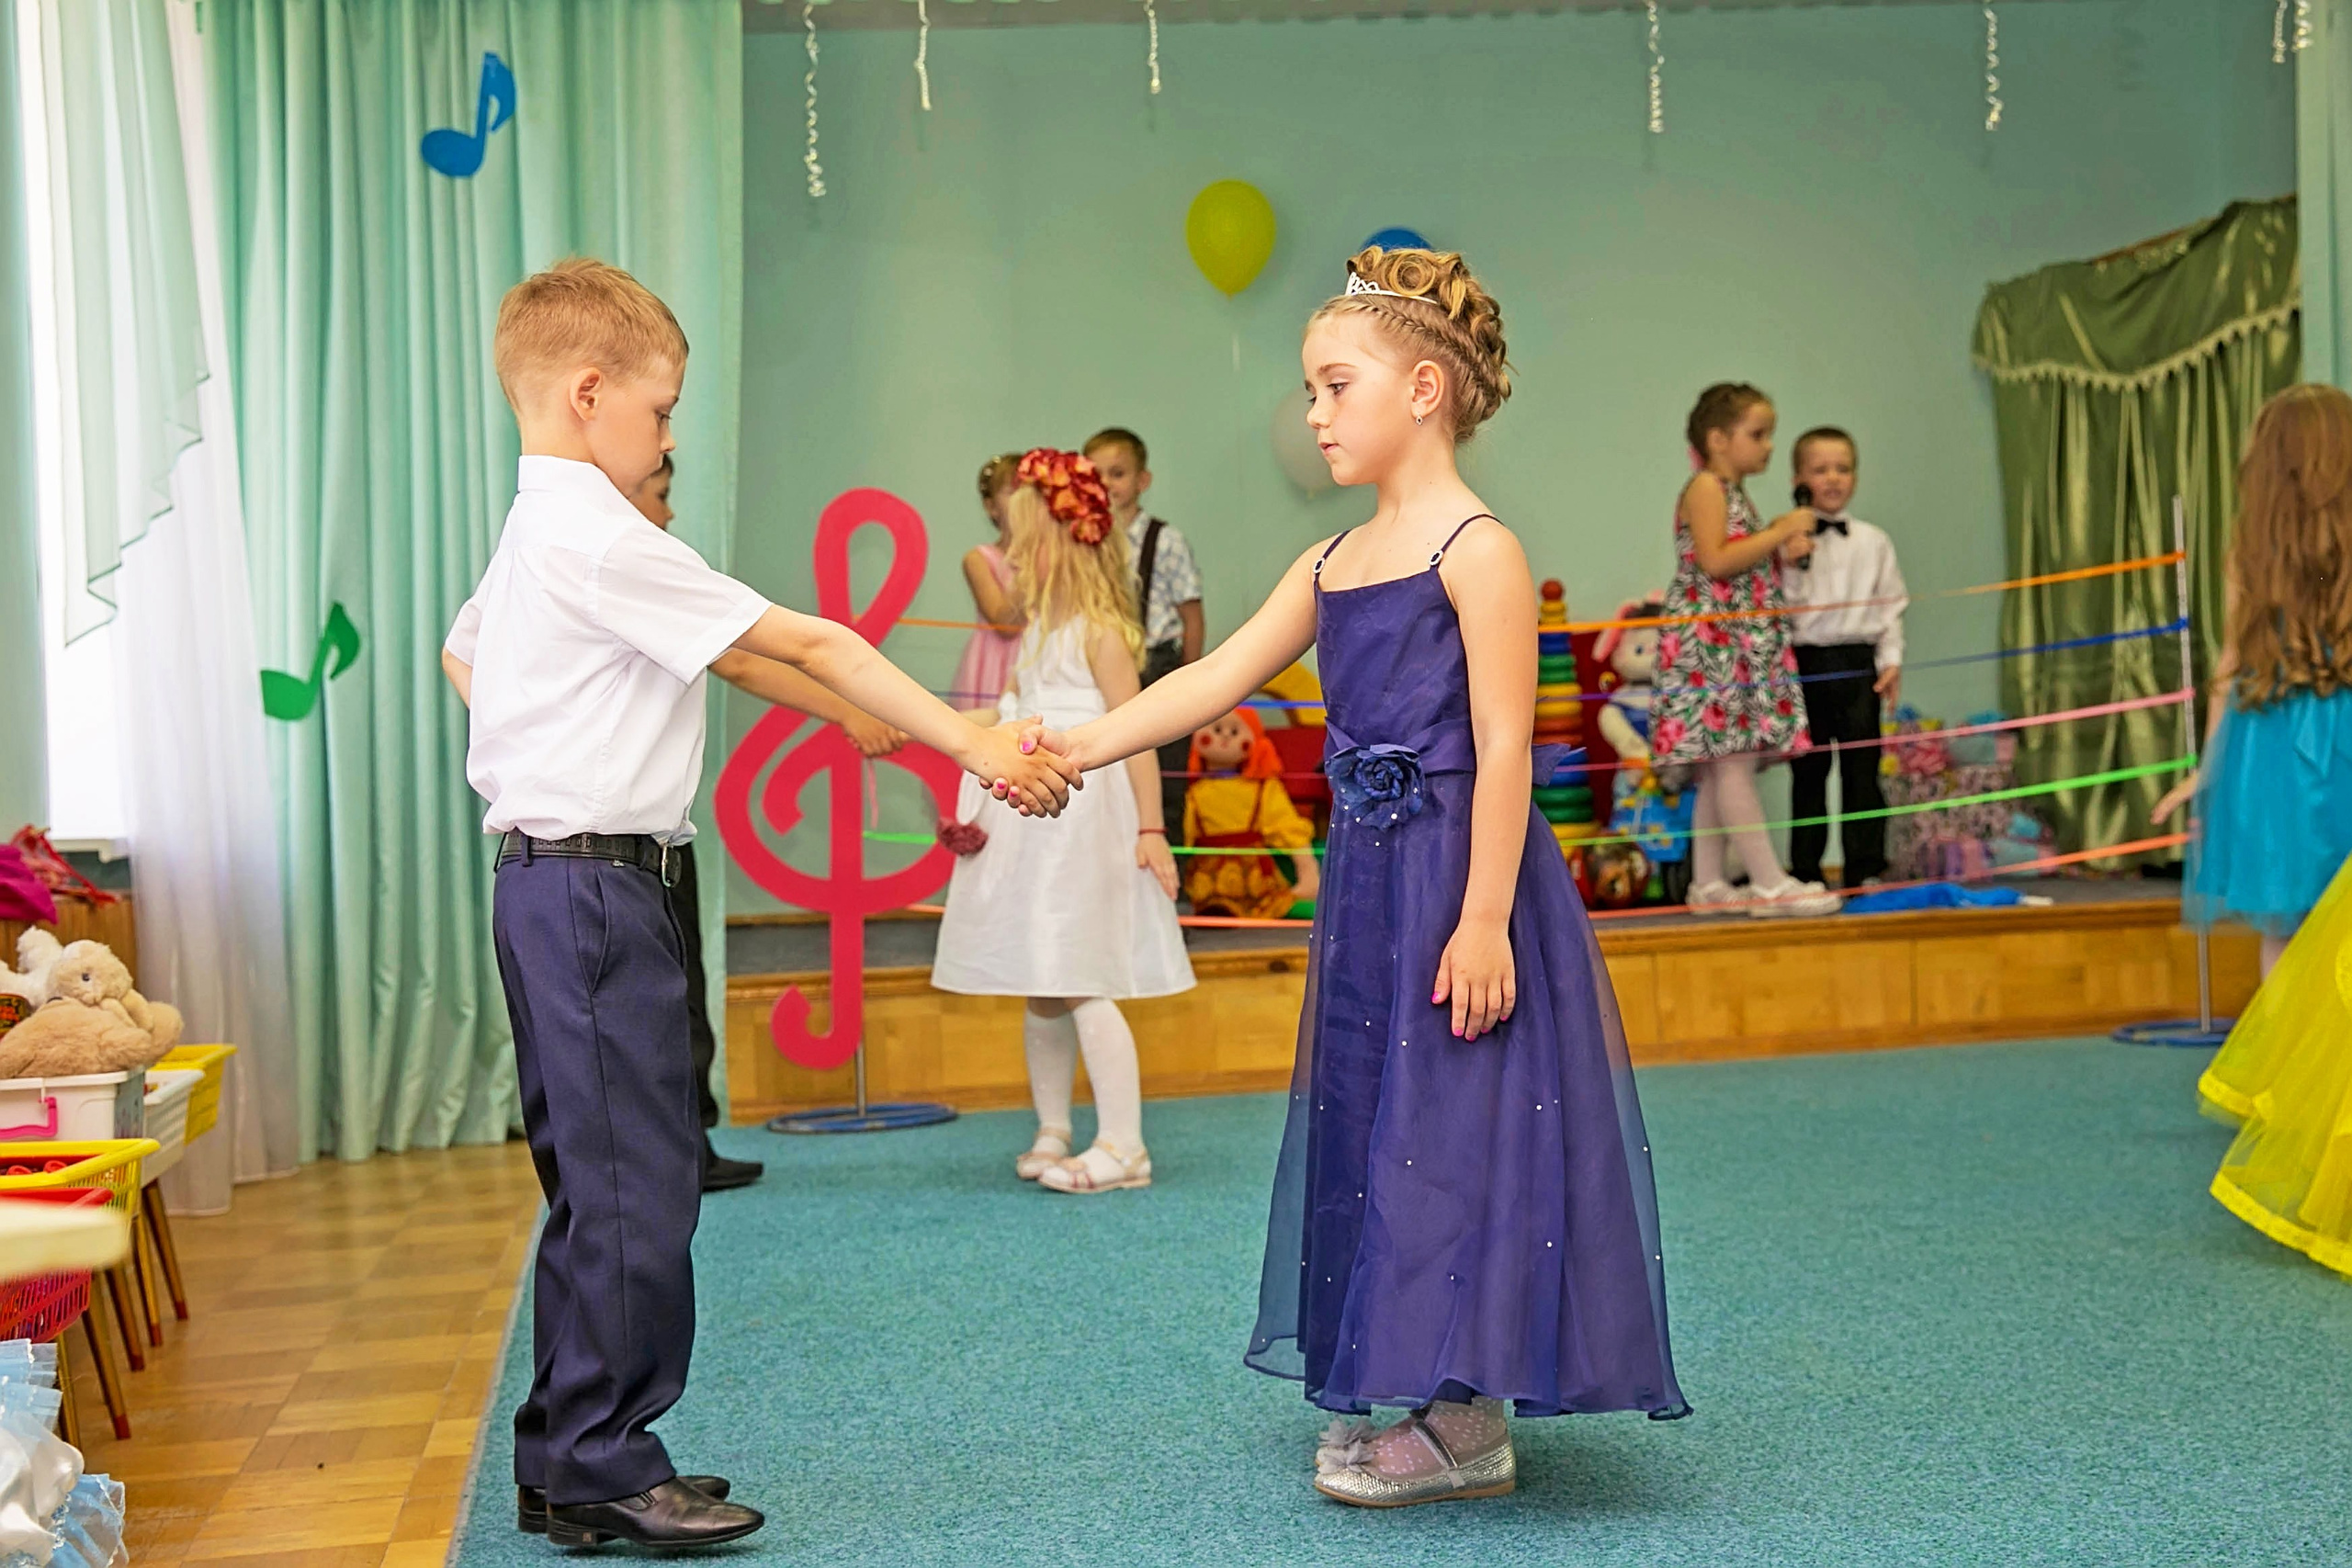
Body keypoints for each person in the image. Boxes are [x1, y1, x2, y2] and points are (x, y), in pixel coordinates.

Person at [440, 258, 1076, 1551]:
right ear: (588, 392)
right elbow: (813, 641)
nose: (668, 435)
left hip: (559, 882)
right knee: (636, 1190)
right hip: (593, 890)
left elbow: (470, 655)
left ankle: (566, 1452)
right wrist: (975, 744)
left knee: (600, 1186)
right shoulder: (597, 535)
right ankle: (604, 1458)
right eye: (662, 410)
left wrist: (544, 746)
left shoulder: (537, 533)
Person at [1039, 248, 1688, 1506]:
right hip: (1372, 883)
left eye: (1336, 386)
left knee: (1460, 1124)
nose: (1316, 415)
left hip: (1462, 876)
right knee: (1385, 1120)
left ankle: (1470, 1418)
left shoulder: (1479, 550)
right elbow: (1209, 678)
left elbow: (1506, 744)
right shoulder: (1331, 560)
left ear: (1425, 390)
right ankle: (1422, 1380)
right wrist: (1077, 745)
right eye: (1312, 390)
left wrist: (1486, 917)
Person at [627, 456, 909, 1192]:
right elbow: (747, 663)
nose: (671, 512)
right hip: (628, 847)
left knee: (676, 990)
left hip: (656, 836)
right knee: (663, 996)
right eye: (662, 493)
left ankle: (686, 1142)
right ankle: (675, 1150)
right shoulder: (634, 563)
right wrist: (847, 710)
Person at [931, 448, 1192, 1195]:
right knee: (1041, 976)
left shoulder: (1100, 630)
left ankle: (1124, 1144)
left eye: (1023, 541)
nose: (1011, 556)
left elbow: (1139, 730)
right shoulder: (1040, 628)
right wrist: (945, 735)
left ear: (1061, 543)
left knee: (1082, 972)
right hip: (1035, 823)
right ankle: (1053, 1127)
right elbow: (1010, 713)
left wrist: (1151, 829)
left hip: (1086, 821)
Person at [2154, 382, 2352, 981]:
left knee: (2283, 923)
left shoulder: (2249, 553)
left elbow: (2231, 661)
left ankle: (2287, 1041)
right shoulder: (2256, 554)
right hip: (2327, 731)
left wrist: (2210, 766)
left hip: (2270, 740)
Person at [1651, 384, 1839, 918]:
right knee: (1732, 761)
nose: (1768, 446)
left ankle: (1708, 883)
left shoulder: (1731, 491)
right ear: (1717, 439)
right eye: (1757, 434)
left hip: (1733, 641)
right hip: (1713, 645)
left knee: (1721, 766)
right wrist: (1779, 532)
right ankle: (1770, 882)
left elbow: (1737, 560)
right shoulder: (1706, 487)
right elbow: (1714, 560)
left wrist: (1778, 547)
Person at [1781, 427, 1906, 887]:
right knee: (1809, 774)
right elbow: (1784, 610)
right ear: (1798, 480)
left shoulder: (1875, 541)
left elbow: (1890, 606)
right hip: (1807, 665)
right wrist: (1792, 562)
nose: (1833, 478)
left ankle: (1864, 866)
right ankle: (1806, 871)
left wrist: (1890, 661)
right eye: (1820, 470)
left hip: (1858, 665)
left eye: (1843, 468)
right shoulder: (1785, 540)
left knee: (1862, 771)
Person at [1086, 426, 1201, 834]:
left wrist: (1189, 680)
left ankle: (1167, 857)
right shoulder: (1083, 541)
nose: (1106, 484)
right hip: (1103, 671)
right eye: (1096, 474)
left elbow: (1191, 616)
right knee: (1110, 775)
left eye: (1117, 473)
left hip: (1157, 668)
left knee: (1165, 776)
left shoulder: (1165, 540)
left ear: (1142, 480)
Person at [1182, 706, 1319, 919]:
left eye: (1235, 731)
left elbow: (1287, 828)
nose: (1225, 736)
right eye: (1217, 730)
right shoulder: (1192, 793)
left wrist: (1308, 872)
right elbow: (1185, 833)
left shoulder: (1263, 788)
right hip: (1206, 881)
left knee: (1280, 906)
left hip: (1255, 879)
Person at [952, 452, 1026, 710]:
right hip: (995, 668)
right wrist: (1030, 564)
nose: (1024, 500)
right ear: (991, 506)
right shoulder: (978, 559)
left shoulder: (1055, 558)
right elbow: (1005, 625)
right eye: (1013, 491)